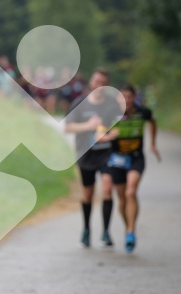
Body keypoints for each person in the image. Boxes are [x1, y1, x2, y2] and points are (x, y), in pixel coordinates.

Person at [99, 83, 160, 252]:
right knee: (123, 199)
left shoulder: (143, 112)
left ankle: (131, 231)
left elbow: (153, 122)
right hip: (117, 160)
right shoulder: (110, 113)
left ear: (135, 98)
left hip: (135, 158)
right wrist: (108, 136)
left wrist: (153, 144)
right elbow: (98, 135)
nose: (127, 100)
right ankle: (128, 229)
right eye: (123, 97)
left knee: (131, 192)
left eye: (130, 97)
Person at [64, 68, 122, 248]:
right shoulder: (79, 102)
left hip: (107, 153)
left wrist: (115, 132)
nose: (99, 85)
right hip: (86, 154)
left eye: (103, 83)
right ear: (91, 82)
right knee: (88, 194)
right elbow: (67, 128)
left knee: (107, 189)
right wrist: (88, 125)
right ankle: (86, 229)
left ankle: (105, 232)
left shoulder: (113, 104)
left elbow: (120, 123)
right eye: (97, 81)